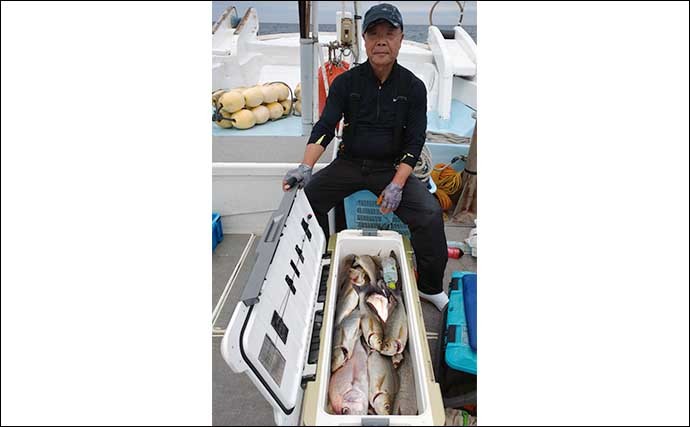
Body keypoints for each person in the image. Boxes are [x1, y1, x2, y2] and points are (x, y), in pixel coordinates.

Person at [282, 3, 448, 310]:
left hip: (391, 169)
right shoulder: (345, 82)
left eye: (389, 33)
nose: (381, 40)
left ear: (400, 39)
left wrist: (398, 183)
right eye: (374, 34)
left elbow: (415, 141)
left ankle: (429, 287)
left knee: (429, 214)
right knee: (307, 198)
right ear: (364, 40)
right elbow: (325, 125)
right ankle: (320, 267)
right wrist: (305, 166)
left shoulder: (414, 87)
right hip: (349, 163)